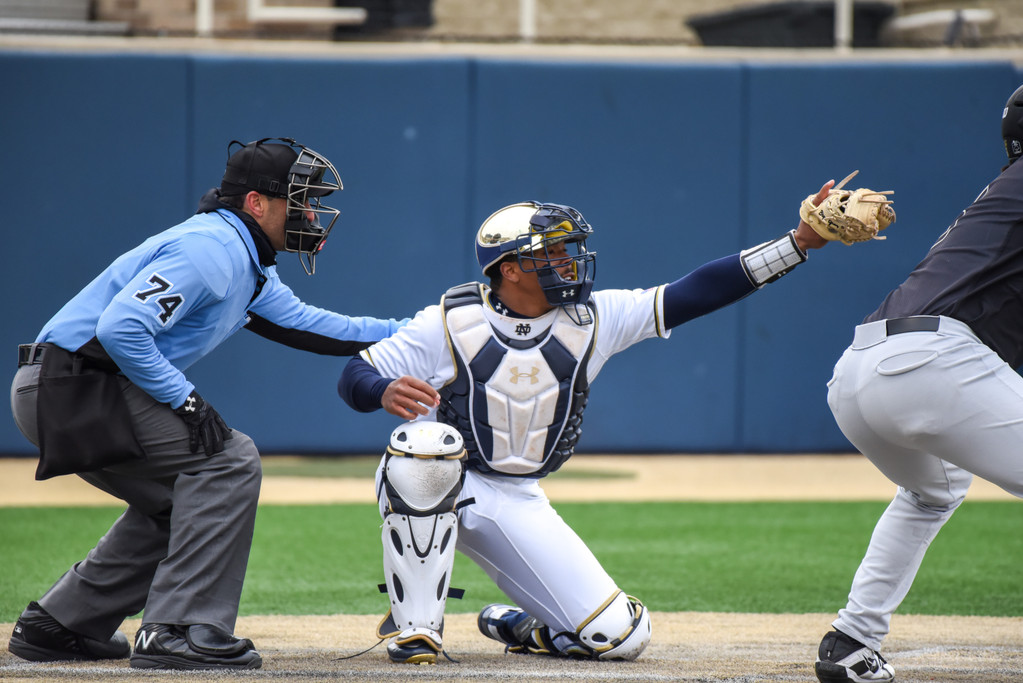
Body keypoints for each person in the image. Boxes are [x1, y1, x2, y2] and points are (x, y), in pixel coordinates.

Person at [339, 181, 844, 664]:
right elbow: (355, 374)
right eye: (552, 251)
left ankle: (524, 625)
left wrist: (798, 242)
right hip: (442, 483)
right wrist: (381, 390)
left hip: (519, 496)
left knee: (621, 637)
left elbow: (695, 293)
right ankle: (417, 625)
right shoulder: (451, 319)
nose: (568, 261)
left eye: (569, 248)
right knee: (424, 442)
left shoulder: (595, 317)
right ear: (510, 269)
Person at [7, 137, 406, 671]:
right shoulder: (211, 249)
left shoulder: (245, 259)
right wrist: (187, 401)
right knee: (228, 460)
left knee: (185, 503)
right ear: (256, 204)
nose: (311, 213)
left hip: (68, 383)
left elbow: (325, 328)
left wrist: (428, 329)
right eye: (300, 199)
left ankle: (61, 626)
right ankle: (176, 631)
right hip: (77, 384)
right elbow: (121, 329)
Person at [812, 84, 1023, 683]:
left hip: (859, 370)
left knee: (933, 492)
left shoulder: (1002, 197)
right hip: (933, 363)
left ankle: (852, 639)